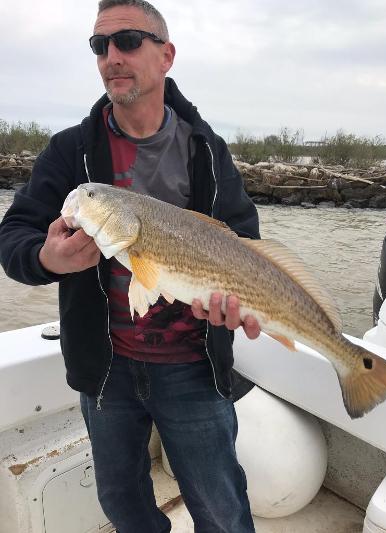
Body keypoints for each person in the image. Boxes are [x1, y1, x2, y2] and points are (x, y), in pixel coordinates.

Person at [0, 1, 261, 531]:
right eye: (100, 46)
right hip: (105, 371)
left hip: (194, 367)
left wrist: (235, 304)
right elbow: (13, 237)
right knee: (122, 503)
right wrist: (47, 257)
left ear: (166, 55)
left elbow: (245, 244)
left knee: (222, 510)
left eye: (128, 42)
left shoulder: (207, 150)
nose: (112, 57)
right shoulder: (71, 151)